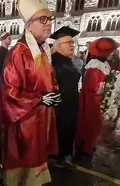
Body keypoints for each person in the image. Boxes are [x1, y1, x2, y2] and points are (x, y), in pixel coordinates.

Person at [0, 0, 60, 186]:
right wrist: (39, 99)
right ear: (28, 26)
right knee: (22, 163)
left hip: (39, 119)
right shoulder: (18, 53)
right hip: (24, 121)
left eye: (50, 20)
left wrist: (54, 94)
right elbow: (10, 93)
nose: (48, 24)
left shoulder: (40, 51)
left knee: (35, 162)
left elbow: (49, 80)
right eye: (43, 20)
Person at [75, 38, 120, 157]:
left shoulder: (101, 65)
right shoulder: (95, 68)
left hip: (95, 99)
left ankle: (85, 144)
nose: (112, 54)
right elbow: (95, 88)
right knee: (92, 123)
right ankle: (87, 147)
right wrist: (108, 89)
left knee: (91, 123)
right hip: (93, 101)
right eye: (110, 52)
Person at [50, 26, 81, 168]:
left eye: (72, 43)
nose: (72, 46)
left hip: (70, 105)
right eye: (68, 43)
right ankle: (60, 157)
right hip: (60, 108)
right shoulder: (54, 62)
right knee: (61, 132)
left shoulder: (67, 60)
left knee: (68, 131)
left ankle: (64, 156)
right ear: (58, 46)